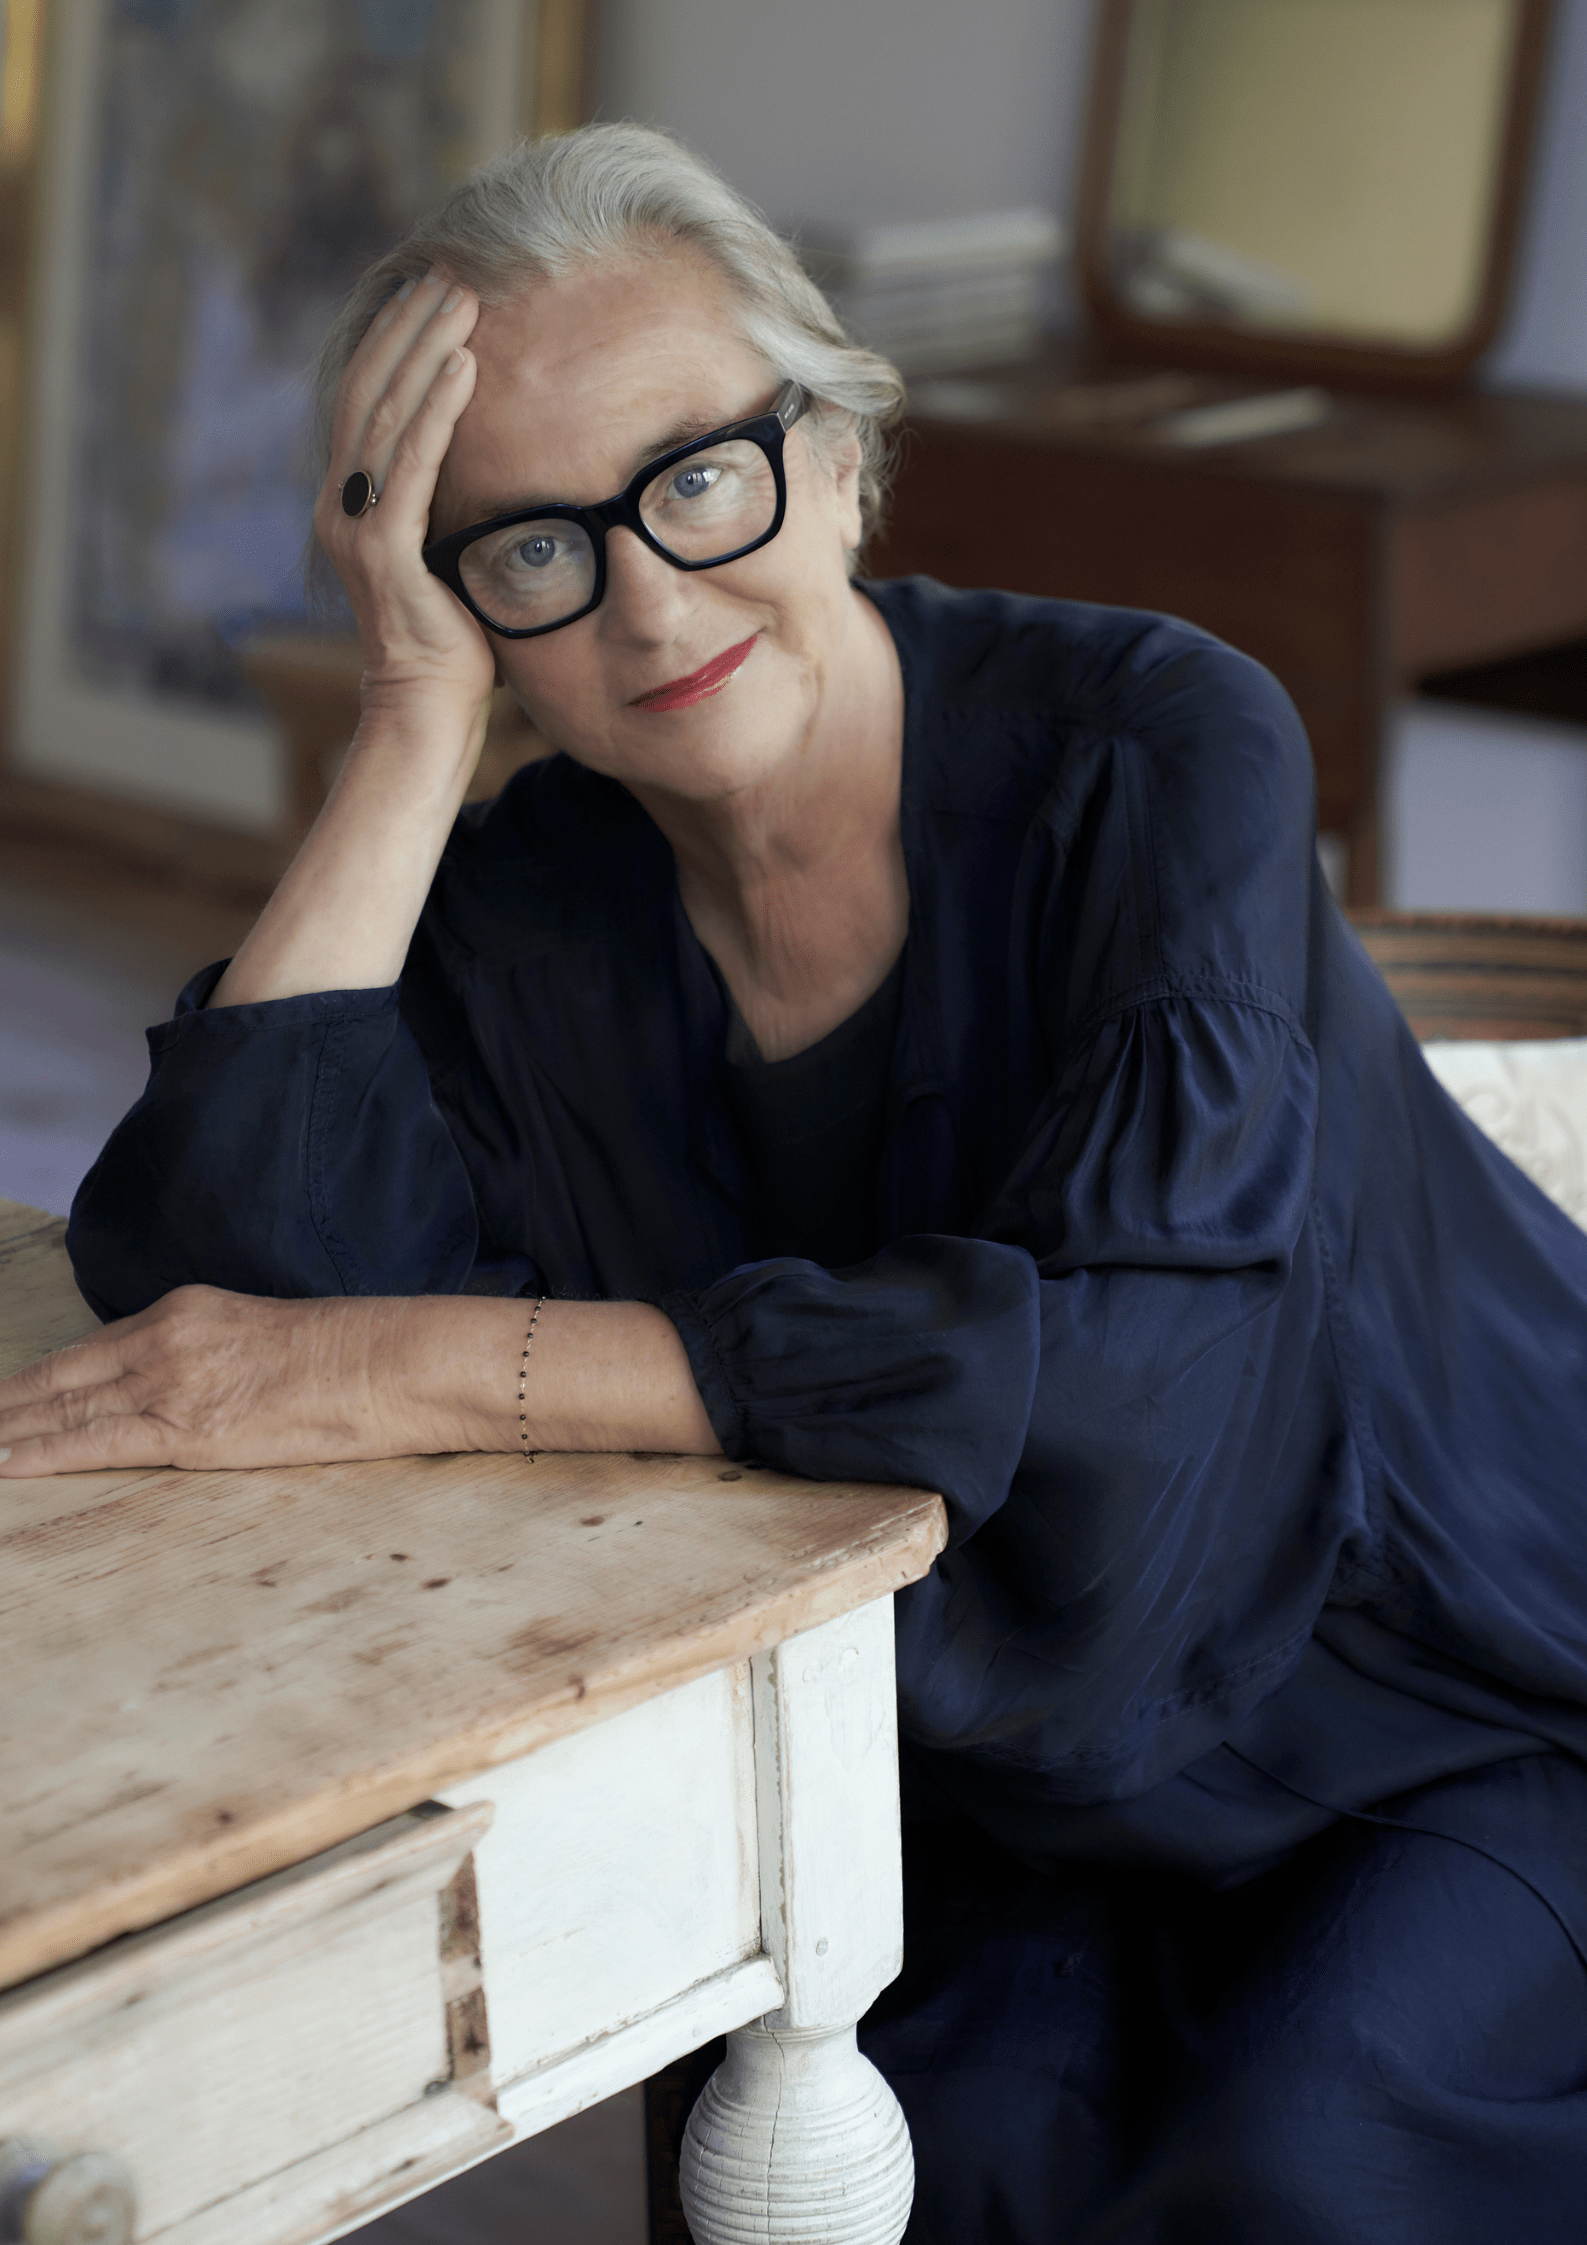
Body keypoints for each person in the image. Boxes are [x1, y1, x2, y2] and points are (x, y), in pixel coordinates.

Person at [4, 123, 1587, 2240]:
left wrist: (428, 1362)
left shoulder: (1159, 746)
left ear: (837, 457)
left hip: (1438, 1687)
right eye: (530, 552)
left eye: (696, 479)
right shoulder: (541, 890)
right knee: (901, 2153)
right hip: (971, 1740)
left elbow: (1130, 1392)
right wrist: (403, 723)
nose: (649, 602)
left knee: (1308, 2154)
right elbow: (224, 1298)